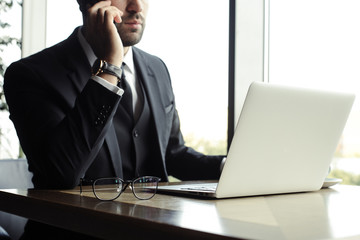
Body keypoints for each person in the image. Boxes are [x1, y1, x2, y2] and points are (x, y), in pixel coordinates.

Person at [4, 0, 224, 190]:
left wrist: (229, 167)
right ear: (88, 3)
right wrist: (109, 68)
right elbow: (61, 173)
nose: (137, 6)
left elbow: (172, 155)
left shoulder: (157, 68)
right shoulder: (30, 74)